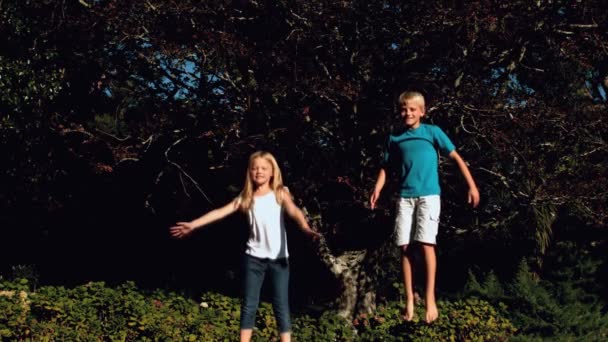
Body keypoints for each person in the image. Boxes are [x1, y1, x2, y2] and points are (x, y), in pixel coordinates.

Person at [170, 151, 320, 342]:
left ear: (272, 171)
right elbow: (219, 212)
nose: (259, 172)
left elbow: (295, 212)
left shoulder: (280, 192)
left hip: (279, 259)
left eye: (264, 168)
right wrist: (193, 224)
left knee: (281, 304)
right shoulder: (246, 197)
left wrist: (306, 229)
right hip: (253, 258)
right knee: (249, 304)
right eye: (255, 168)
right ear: (249, 172)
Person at [370, 91, 480, 323]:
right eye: (403, 109)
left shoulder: (432, 132)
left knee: (426, 244)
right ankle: (409, 299)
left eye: (412, 109)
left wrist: (471, 186)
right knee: (405, 247)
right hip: (405, 198)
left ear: (422, 111)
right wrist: (377, 188)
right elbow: (386, 168)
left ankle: (430, 298)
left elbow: (457, 159)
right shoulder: (395, 138)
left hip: (429, 196)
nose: (407, 113)